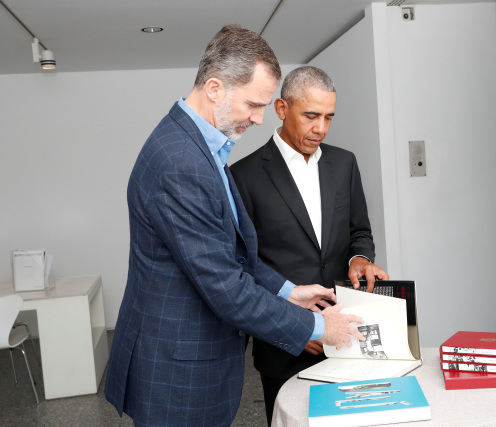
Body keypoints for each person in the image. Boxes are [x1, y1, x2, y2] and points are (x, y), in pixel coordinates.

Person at [104, 26, 365, 427]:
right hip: (177, 370)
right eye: (254, 104)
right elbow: (225, 287)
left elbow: (234, 252)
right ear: (214, 88)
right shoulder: (181, 164)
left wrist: (289, 291)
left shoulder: (200, 146)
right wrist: (318, 325)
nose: (260, 119)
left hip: (191, 359)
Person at [230, 66, 389, 424]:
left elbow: (359, 231)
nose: (321, 128)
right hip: (284, 344)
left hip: (347, 333)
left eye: (329, 117)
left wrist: (360, 258)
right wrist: (294, 327)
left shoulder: (344, 163)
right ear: (282, 109)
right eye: (311, 115)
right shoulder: (243, 176)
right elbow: (242, 267)